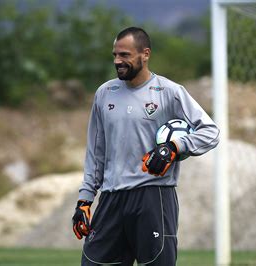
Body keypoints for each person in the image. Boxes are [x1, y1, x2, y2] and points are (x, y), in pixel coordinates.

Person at [72, 27, 219, 265]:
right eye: (115, 55)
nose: (117, 61)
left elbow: (210, 132)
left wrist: (174, 147)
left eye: (125, 55)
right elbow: (95, 154)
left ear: (145, 54)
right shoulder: (104, 93)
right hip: (111, 199)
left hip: (153, 198)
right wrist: (85, 199)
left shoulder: (169, 92)